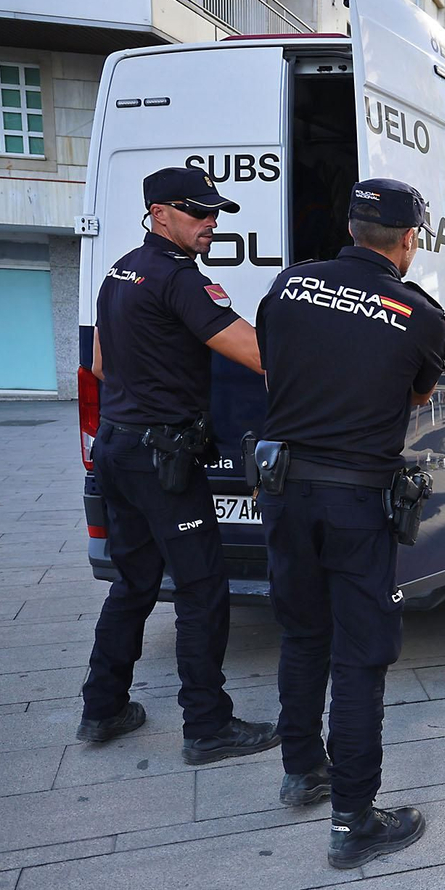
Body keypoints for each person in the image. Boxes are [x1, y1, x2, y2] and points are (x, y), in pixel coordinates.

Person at [255, 178, 445, 868]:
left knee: (303, 633)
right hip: (357, 500)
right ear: (407, 241)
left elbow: (275, 373)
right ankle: (352, 822)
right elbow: (418, 392)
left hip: (284, 490)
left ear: (349, 227)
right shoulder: (420, 315)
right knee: (360, 655)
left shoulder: (288, 286)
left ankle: (302, 770)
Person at [76, 166, 279, 764]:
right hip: (160, 456)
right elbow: (257, 353)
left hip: (117, 447)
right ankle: (208, 726)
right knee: (202, 586)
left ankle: (102, 707)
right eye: (198, 212)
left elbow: (100, 365)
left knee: (133, 581)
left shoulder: (121, 271)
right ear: (159, 212)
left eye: (215, 213)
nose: (210, 223)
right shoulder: (182, 279)